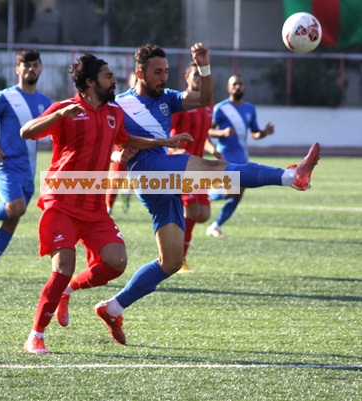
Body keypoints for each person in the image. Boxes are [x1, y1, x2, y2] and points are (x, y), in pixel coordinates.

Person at [93, 42, 320, 345]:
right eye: (157, 72)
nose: (164, 77)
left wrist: (204, 67)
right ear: (140, 73)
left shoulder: (168, 98)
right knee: (215, 168)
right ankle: (292, 176)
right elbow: (104, 141)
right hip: (148, 172)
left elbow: (205, 99)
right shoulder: (119, 105)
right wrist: (118, 154)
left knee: (170, 262)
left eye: (166, 71)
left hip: (161, 180)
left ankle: (113, 308)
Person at [19, 53, 192, 354]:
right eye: (108, 76)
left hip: (94, 206)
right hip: (62, 200)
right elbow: (27, 131)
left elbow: (126, 140)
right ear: (90, 82)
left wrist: (163, 143)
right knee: (63, 267)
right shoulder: (67, 108)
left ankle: (67, 290)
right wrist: (58, 116)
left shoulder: (114, 113)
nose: (114, 81)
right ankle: (36, 335)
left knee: (116, 262)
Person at [0, 49, 52, 282]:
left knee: (12, 219)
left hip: (28, 170)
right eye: (26, 65)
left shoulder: (45, 103)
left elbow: (56, 133)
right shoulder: (5, 97)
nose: (31, 69)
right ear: (18, 69)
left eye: (35, 65)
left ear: (40, 68)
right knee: (16, 208)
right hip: (6, 164)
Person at [205, 74, 275, 238]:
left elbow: (254, 134)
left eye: (240, 84)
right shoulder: (221, 108)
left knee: (238, 194)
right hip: (225, 156)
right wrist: (222, 132)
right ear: (229, 88)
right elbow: (207, 130)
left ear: (244, 87)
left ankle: (215, 226)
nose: (237, 87)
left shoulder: (250, 109)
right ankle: (202, 196)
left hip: (242, 156)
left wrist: (265, 132)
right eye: (234, 84)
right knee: (230, 192)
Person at [169, 61, 221, 272]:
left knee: (203, 214)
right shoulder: (181, 102)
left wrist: (213, 150)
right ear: (186, 78)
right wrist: (175, 150)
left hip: (199, 166)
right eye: (195, 75)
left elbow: (204, 135)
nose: (199, 79)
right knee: (192, 211)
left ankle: (173, 227)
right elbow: (168, 133)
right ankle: (179, 259)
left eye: (201, 75)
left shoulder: (208, 104)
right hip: (183, 165)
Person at [106, 72, 138, 214]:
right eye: (135, 80)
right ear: (130, 82)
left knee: (139, 176)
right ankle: (109, 207)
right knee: (118, 177)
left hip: (140, 146)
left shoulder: (148, 102)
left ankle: (127, 194)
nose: (138, 82)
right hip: (123, 145)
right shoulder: (121, 101)